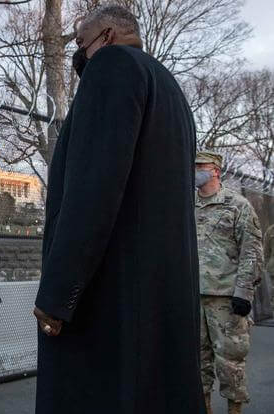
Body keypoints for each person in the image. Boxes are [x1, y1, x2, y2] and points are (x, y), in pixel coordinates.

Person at [32, 5, 205, 413]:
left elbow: (93, 188)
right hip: (160, 295)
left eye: (81, 44)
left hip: (112, 298)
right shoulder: (169, 88)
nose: (79, 57)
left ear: (107, 36)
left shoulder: (111, 66)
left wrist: (58, 295)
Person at [195, 150, 263, 414]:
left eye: (201, 166)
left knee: (230, 364)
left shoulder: (236, 205)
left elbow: (251, 251)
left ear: (215, 170)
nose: (195, 171)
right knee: (197, 365)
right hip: (193, 296)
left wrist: (243, 293)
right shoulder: (186, 204)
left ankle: (234, 410)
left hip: (225, 298)